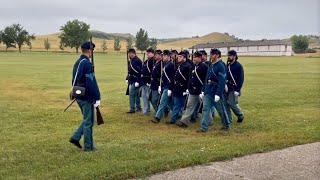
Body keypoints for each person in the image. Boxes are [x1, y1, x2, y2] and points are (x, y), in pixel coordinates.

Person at [69, 41, 101, 152]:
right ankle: (88, 147)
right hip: (86, 96)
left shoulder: (79, 62)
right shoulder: (87, 63)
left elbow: (74, 80)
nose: (93, 52)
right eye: (92, 50)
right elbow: (90, 82)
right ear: (89, 51)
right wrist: (96, 97)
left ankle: (76, 137)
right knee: (88, 122)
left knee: (88, 120)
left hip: (78, 94)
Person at [198, 48, 230, 133]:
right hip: (208, 90)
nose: (211, 56)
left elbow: (222, 81)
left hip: (216, 91)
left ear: (217, 55)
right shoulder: (212, 65)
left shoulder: (220, 66)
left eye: (212, 54)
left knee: (221, 110)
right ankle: (204, 127)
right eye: (211, 54)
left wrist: (218, 94)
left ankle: (226, 124)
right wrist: (203, 90)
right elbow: (206, 79)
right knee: (205, 109)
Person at [176, 51, 208, 128]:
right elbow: (190, 78)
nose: (194, 59)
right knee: (189, 106)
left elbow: (206, 80)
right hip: (193, 91)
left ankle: (209, 121)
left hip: (201, 91)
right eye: (193, 57)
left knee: (205, 107)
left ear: (200, 58)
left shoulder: (204, 67)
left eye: (195, 57)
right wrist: (188, 88)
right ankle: (184, 121)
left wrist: (203, 91)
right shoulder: (193, 66)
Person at [151, 50, 174, 123]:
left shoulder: (171, 65)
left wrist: (170, 88)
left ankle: (157, 117)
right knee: (170, 104)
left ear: (168, 56)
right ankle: (178, 114)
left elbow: (171, 78)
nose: (163, 57)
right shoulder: (166, 64)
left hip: (168, 86)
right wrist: (160, 86)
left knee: (162, 102)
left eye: (164, 56)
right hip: (164, 86)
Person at [168, 51, 190, 124]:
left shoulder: (187, 66)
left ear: (184, 58)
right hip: (176, 87)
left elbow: (189, 79)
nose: (178, 58)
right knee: (177, 104)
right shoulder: (179, 65)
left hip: (182, 88)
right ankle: (179, 116)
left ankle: (173, 120)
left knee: (178, 104)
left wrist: (186, 88)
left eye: (180, 57)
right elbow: (174, 77)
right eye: (178, 56)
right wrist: (171, 88)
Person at [225, 50, 245, 123]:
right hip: (227, 87)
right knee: (226, 104)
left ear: (234, 56)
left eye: (230, 55)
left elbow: (241, 78)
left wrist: (238, 89)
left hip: (234, 88)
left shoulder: (238, 66)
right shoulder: (228, 65)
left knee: (232, 103)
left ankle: (240, 115)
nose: (229, 57)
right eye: (228, 55)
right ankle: (228, 119)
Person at [126, 48, 142, 113]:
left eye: (131, 53)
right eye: (129, 53)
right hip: (131, 80)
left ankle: (132, 109)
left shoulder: (138, 61)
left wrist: (138, 81)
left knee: (132, 94)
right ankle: (138, 107)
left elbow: (140, 72)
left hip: (136, 80)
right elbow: (129, 71)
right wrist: (127, 78)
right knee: (136, 95)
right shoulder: (131, 60)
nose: (130, 54)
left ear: (134, 53)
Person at [140, 48, 155, 115]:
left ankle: (157, 110)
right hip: (143, 81)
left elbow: (153, 73)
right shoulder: (146, 61)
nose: (147, 54)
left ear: (152, 53)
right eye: (147, 53)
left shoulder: (153, 61)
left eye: (148, 53)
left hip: (149, 81)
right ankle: (146, 110)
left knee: (150, 97)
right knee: (144, 97)